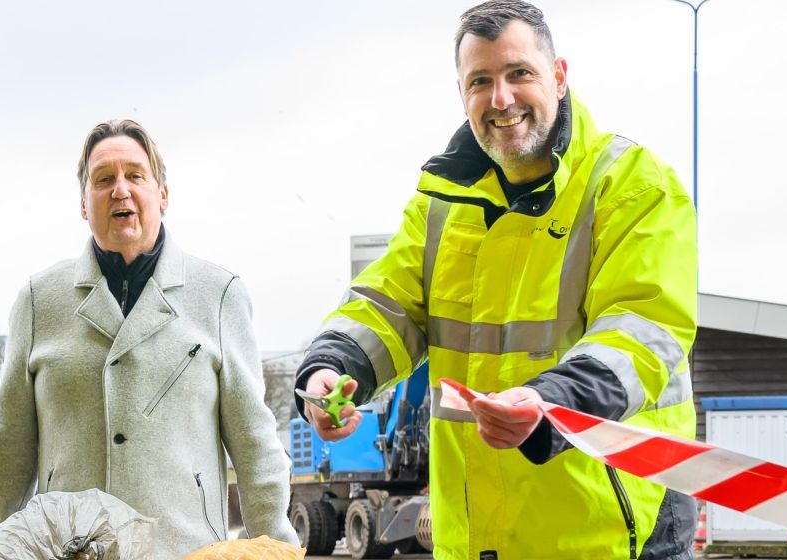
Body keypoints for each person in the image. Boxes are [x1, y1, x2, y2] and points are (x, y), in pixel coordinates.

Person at [293, 1, 699, 558]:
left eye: (519, 74)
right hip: (475, 538)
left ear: (558, 77)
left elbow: (643, 329)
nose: (501, 98)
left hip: (613, 530)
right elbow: (384, 306)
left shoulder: (632, 184)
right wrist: (330, 372)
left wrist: (549, 401)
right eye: (480, 81)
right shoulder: (440, 202)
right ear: (462, 94)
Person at [0, 119, 299, 556]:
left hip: (184, 549)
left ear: (162, 195)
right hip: (70, 552)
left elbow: (254, 444)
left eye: (135, 175)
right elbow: (8, 453)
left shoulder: (219, 294)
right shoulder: (39, 301)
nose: (120, 190)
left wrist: (276, 547)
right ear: (83, 203)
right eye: (103, 179)